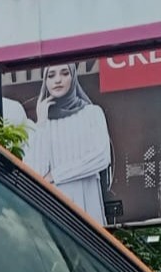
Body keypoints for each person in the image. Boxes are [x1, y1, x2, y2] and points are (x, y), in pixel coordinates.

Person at [28, 63, 113, 225]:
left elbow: (102, 156)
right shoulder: (42, 124)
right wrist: (42, 122)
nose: (58, 80)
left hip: (86, 204)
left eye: (64, 73)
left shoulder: (92, 113)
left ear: (73, 77)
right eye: (51, 75)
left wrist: (56, 175)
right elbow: (36, 172)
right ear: (45, 81)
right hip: (55, 207)